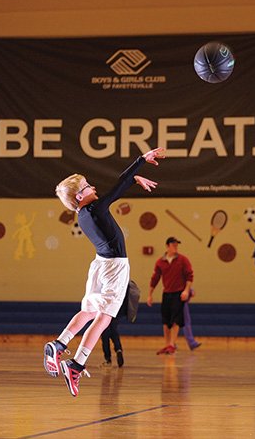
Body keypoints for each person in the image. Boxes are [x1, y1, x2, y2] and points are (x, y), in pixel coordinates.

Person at [44, 147, 165, 397]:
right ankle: (76, 364)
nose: (93, 187)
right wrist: (141, 162)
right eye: (87, 186)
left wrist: (134, 178)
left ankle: (59, 344)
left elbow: (120, 186)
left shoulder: (83, 215)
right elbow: (119, 185)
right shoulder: (96, 209)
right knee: (104, 318)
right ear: (79, 197)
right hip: (114, 267)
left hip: (99, 265)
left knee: (88, 311)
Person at [147, 237, 194, 355]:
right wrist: (150, 295)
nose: (176, 247)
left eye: (177, 245)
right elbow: (155, 279)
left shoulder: (183, 260)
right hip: (166, 293)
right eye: (173, 245)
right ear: (167, 246)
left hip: (179, 293)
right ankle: (167, 344)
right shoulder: (160, 262)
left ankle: (172, 344)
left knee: (176, 320)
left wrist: (186, 291)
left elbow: (189, 276)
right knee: (166, 321)